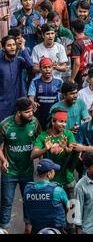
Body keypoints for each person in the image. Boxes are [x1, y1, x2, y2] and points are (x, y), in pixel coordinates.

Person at [0, 98, 41, 233]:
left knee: (29, 202)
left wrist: (41, 162)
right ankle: (5, 230)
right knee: (6, 204)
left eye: (32, 111)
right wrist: (3, 160)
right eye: (28, 112)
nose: (31, 115)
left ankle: (28, 230)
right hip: (9, 172)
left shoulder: (34, 123)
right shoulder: (5, 125)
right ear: (18, 112)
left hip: (28, 172)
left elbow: (41, 140)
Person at [31, 107, 79, 199]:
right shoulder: (43, 137)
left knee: (72, 210)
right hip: (50, 182)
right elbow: (33, 154)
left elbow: (71, 150)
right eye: (61, 121)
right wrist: (45, 149)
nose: (64, 124)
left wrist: (65, 147)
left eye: (65, 121)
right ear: (53, 122)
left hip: (67, 179)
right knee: (52, 210)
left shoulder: (68, 134)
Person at [23, 158, 69, 234]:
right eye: (54, 170)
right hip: (56, 230)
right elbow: (68, 208)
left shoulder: (27, 190)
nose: (55, 172)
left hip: (36, 229)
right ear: (49, 173)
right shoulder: (58, 190)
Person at [0, 35, 33, 122]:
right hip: (3, 105)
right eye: (9, 45)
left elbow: (30, 66)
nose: (12, 47)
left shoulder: (19, 60)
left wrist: (23, 48)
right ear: (3, 48)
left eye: (14, 45)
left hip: (20, 103)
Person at [28, 57, 63, 130]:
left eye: (49, 67)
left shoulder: (59, 81)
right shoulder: (35, 81)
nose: (47, 70)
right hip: (40, 114)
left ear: (52, 68)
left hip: (55, 115)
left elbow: (63, 97)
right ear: (40, 69)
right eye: (44, 67)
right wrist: (32, 102)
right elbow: (30, 97)